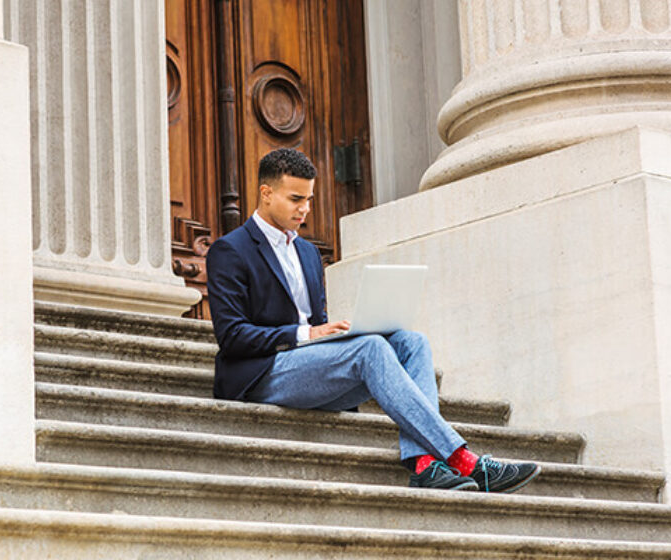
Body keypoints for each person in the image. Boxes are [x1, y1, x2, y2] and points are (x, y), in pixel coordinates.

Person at [205, 148, 540, 493]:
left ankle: (424, 465)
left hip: (309, 370)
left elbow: (318, 325)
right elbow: (233, 336)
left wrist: (335, 333)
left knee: (411, 342)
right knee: (370, 349)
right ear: (266, 193)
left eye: (309, 199)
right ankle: (464, 460)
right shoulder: (230, 250)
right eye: (295, 199)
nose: (305, 209)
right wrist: (308, 333)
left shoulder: (307, 252)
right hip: (262, 374)